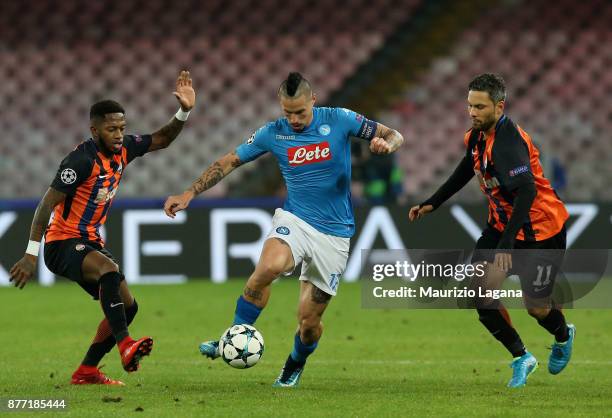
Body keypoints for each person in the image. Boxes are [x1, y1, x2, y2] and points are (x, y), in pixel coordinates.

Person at [164, 72, 403, 387]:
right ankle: (233, 336)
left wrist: (386, 144)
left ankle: (294, 363)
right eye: (287, 112)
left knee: (308, 323)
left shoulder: (341, 119)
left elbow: (394, 133)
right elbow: (230, 161)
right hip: (295, 219)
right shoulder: (273, 133)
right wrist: (190, 193)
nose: (293, 119)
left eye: (300, 112)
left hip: (334, 233)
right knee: (269, 267)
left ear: (313, 101)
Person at [9, 71, 196, 385]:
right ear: (94, 130)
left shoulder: (124, 150)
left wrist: (185, 110)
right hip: (61, 243)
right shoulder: (79, 161)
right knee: (109, 270)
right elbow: (46, 205)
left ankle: (86, 371)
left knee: (129, 306)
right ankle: (125, 345)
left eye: (122, 127)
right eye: (112, 129)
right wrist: (31, 253)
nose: (119, 134)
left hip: (89, 240)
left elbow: (162, 139)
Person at [409, 73, 573, 388]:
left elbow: (526, 192)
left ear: (499, 107)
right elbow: (468, 166)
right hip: (501, 226)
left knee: (536, 307)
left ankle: (564, 336)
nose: (472, 112)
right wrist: (434, 201)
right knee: (478, 292)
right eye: (470, 105)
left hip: (540, 230)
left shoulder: (508, 144)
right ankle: (521, 356)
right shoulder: (476, 137)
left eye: (480, 107)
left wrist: (507, 244)